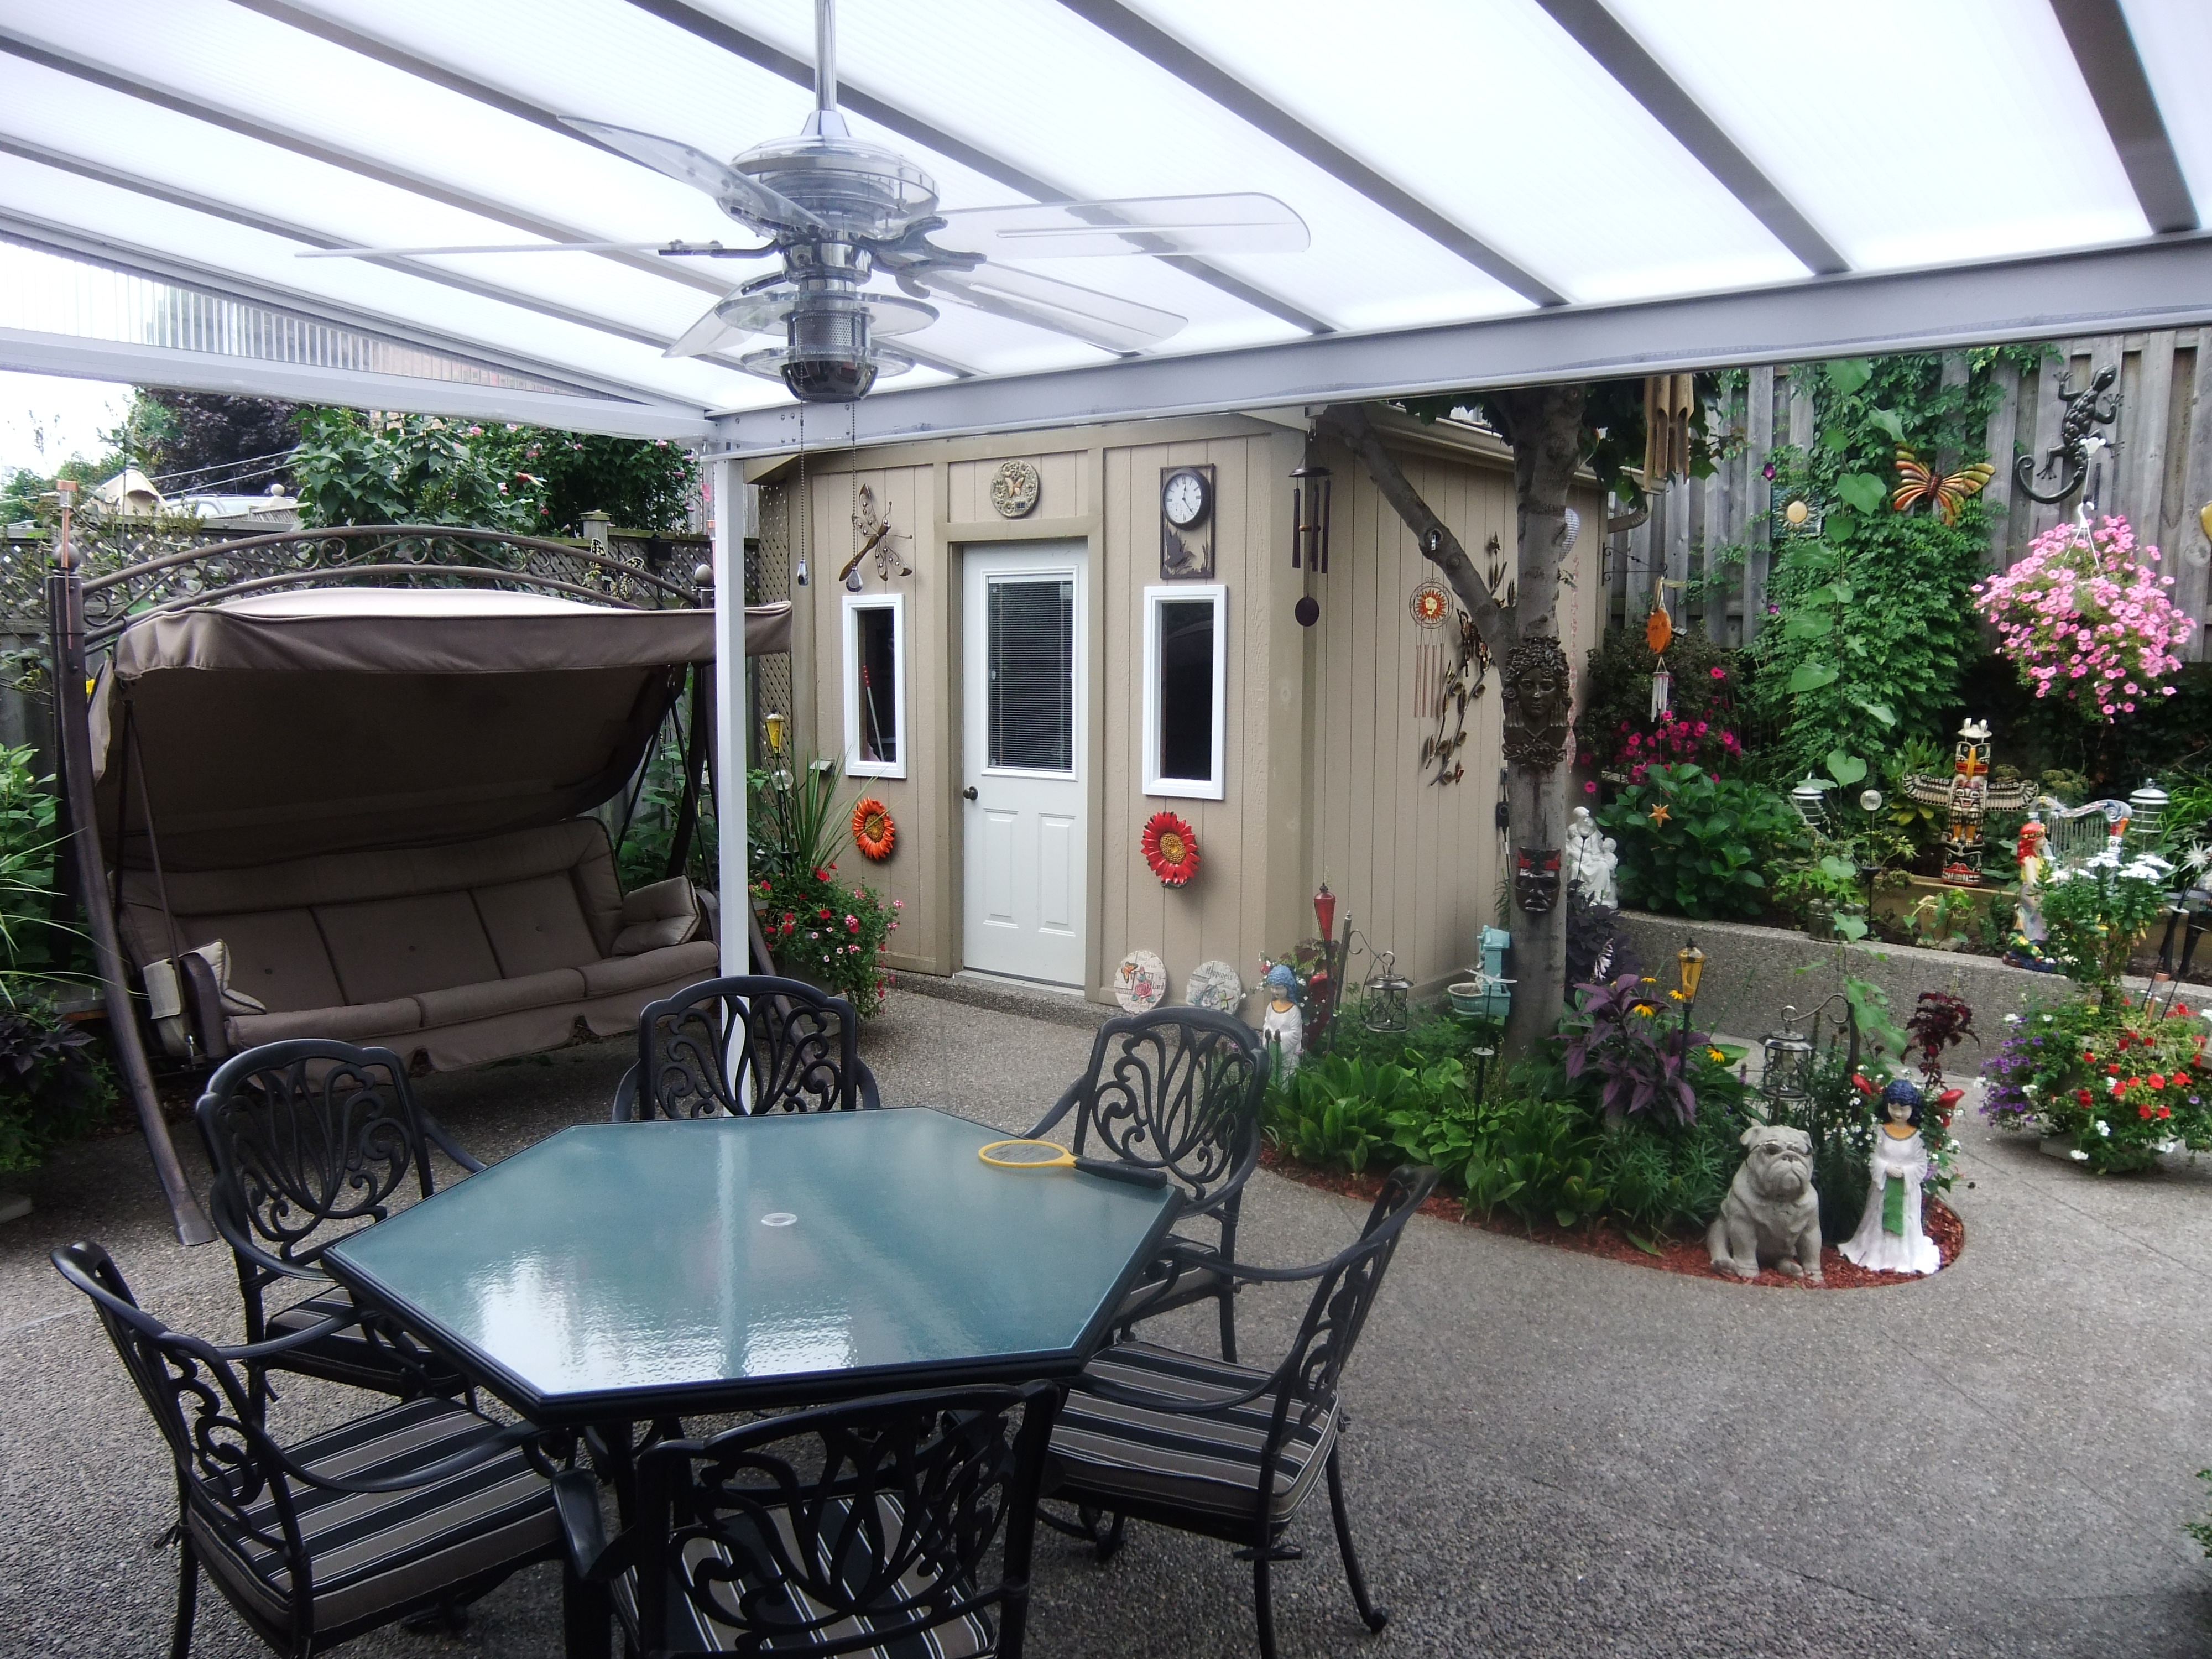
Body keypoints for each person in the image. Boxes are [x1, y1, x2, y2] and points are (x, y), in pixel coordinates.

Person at [1841, 1078, 1942, 1275]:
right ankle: (1875, 1252)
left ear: (1913, 1109)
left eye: (1904, 1109)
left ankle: (1901, 1257)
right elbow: (1874, 1157)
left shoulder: (1917, 1137)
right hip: (1883, 1187)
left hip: (1905, 1191)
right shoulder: (1881, 1131)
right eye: (1894, 1108)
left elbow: (1921, 1164)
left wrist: (1905, 1171)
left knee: (1905, 1220)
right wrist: (1885, 1167)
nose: (1898, 1113)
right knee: (1877, 1219)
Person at [1261, 963, 1303, 1078]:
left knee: (1286, 1078)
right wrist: (1269, 1036)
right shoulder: (1271, 1006)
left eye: (1279, 988)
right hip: (1272, 1053)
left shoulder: (1293, 1011)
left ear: (1288, 987)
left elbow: (1296, 1034)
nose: (1275, 991)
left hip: (1288, 1054)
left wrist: (1279, 1038)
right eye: (1273, 987)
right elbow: (1267, 1024)